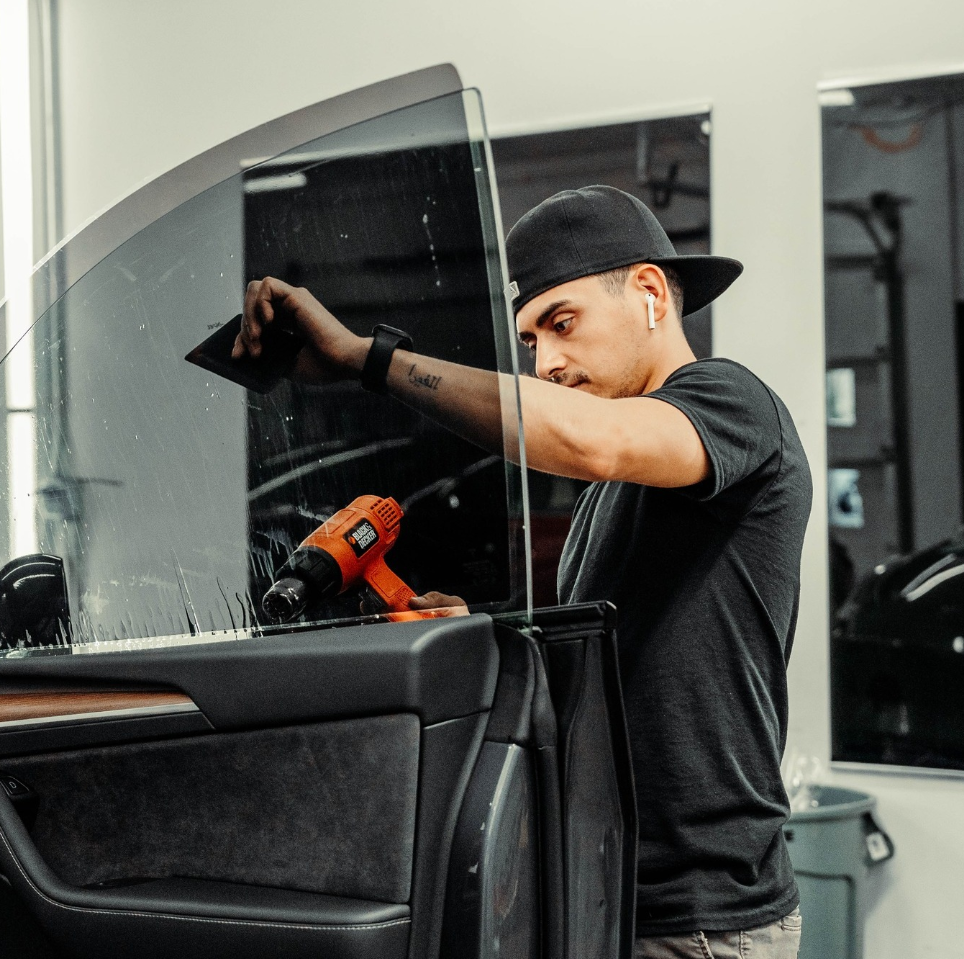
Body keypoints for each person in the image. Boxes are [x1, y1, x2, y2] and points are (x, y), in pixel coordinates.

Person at [234, 185, 812, 958]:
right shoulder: (613, 495)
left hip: (700, 921)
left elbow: (592, 440)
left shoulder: (731, 404)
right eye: (530, 340)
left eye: (561, 325)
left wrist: (366, 359)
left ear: (647, 293)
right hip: (604, 895)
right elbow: (600, 669)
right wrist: (484, 630)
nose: (547, 362)